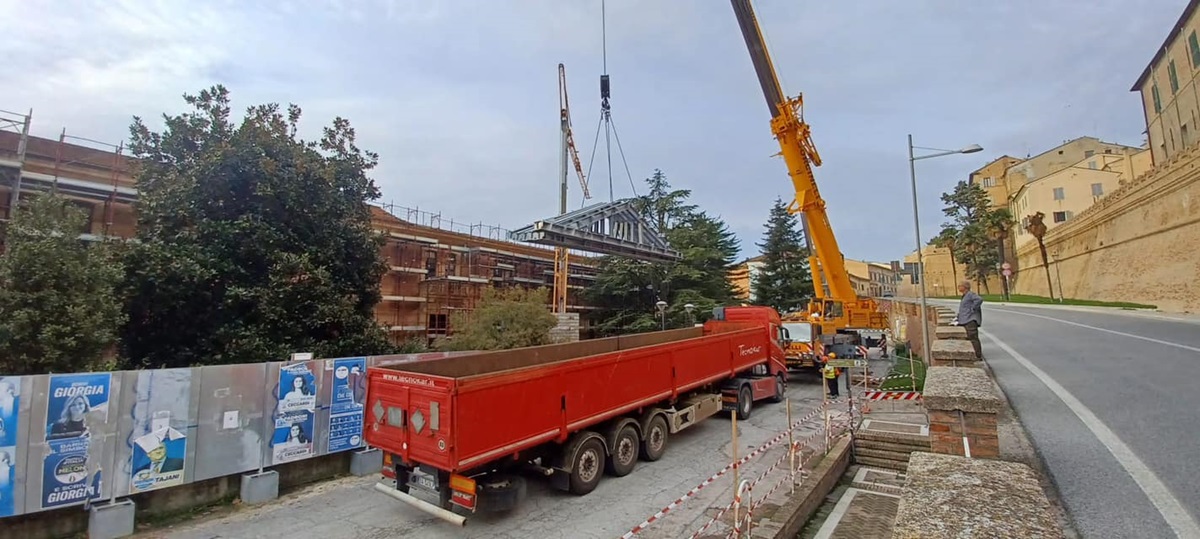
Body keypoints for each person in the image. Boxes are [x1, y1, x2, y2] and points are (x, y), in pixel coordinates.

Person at [955, 280, 984, 360]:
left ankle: (978, 356)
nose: (958, 287)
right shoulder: (965, 295)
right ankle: (973, 354)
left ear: (964, 287)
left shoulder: (970, 294)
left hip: (970, 320)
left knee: (973, 338)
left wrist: (973, 308)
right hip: (965, 319)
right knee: (969, 338)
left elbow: (979, 299)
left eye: (960, 286)